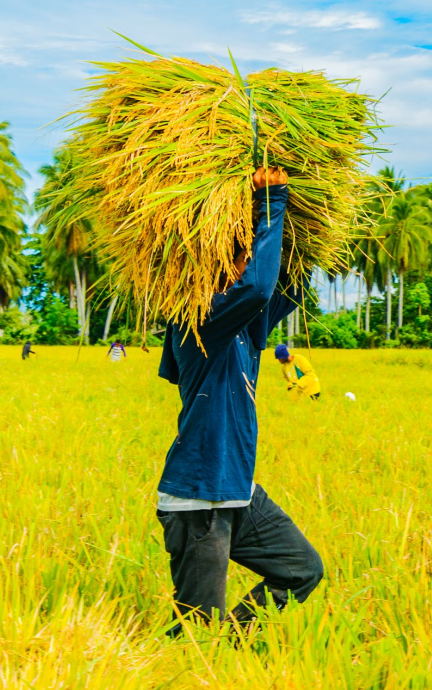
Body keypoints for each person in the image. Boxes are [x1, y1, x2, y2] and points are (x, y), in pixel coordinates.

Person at [155, 166, 323, 637]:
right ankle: (199, 658)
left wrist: (306, 231)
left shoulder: (246, 334)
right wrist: (271, 202)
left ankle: (231, 645)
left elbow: (283, 289)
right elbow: (256, 288)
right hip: (199, 499)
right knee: (194, 633)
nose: (245, 265)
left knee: (301, 569)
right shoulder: (200, 320)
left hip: (239, 492)